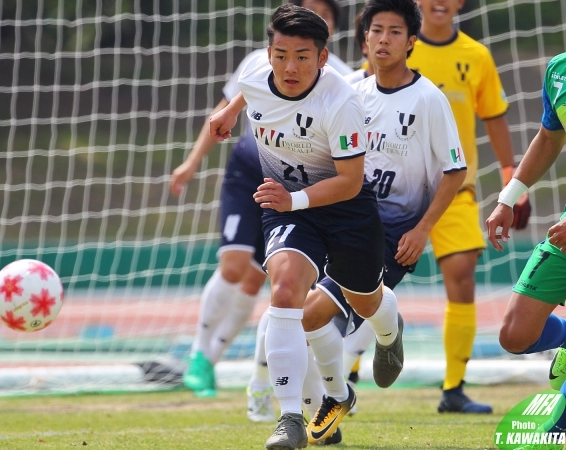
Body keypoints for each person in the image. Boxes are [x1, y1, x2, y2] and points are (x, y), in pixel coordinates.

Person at [209, 5, 399, 449]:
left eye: (301, 56)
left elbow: (351, 182)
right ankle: (291, 417)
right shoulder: (258, 73)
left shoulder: (341, 101)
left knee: (366, 300)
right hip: (287, 207)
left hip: (346, 208)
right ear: (268, 52)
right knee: (285, 290)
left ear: (323, 57)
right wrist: (229, 112)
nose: (289, 67)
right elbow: (249, 87)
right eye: (280, 55)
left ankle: (390, 334)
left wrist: (293, 198)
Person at [169, 0, 353, 401]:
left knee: (259, 278)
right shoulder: (259, 61)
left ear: (329, 33)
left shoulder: (339, 78)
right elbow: (225, 112)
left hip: (294, 182)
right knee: (233, 266)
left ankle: (212, 363)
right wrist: (191, 162)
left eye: (321, 12)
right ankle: (199, 357)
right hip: (247, 170)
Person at [301, 0, 467, 444]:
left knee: (314, 312)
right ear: (364, 38)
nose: (384, 39)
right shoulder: (348, 89)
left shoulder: (429, 98)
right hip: (341, 220)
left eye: (395, 32)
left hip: (393, 234)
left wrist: (423, 229)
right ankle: (341, 392)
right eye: (377, 31)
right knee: (302, 320)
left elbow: (456, 170)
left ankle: (354, 372)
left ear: (411, 42)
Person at [395, 0, 531, 414]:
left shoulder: (477, 55)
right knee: (371, 281)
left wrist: (512, 177)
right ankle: (348, 375)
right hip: (398, 190)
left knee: (462, 275)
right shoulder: (399, 45)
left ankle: (453, 387)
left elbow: (494, 118)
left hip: (457, 189)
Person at [486, 52, 566, 450]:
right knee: (515, 336)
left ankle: (560, 427)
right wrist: (509, 198)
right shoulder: (559, 70)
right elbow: (550, 137)